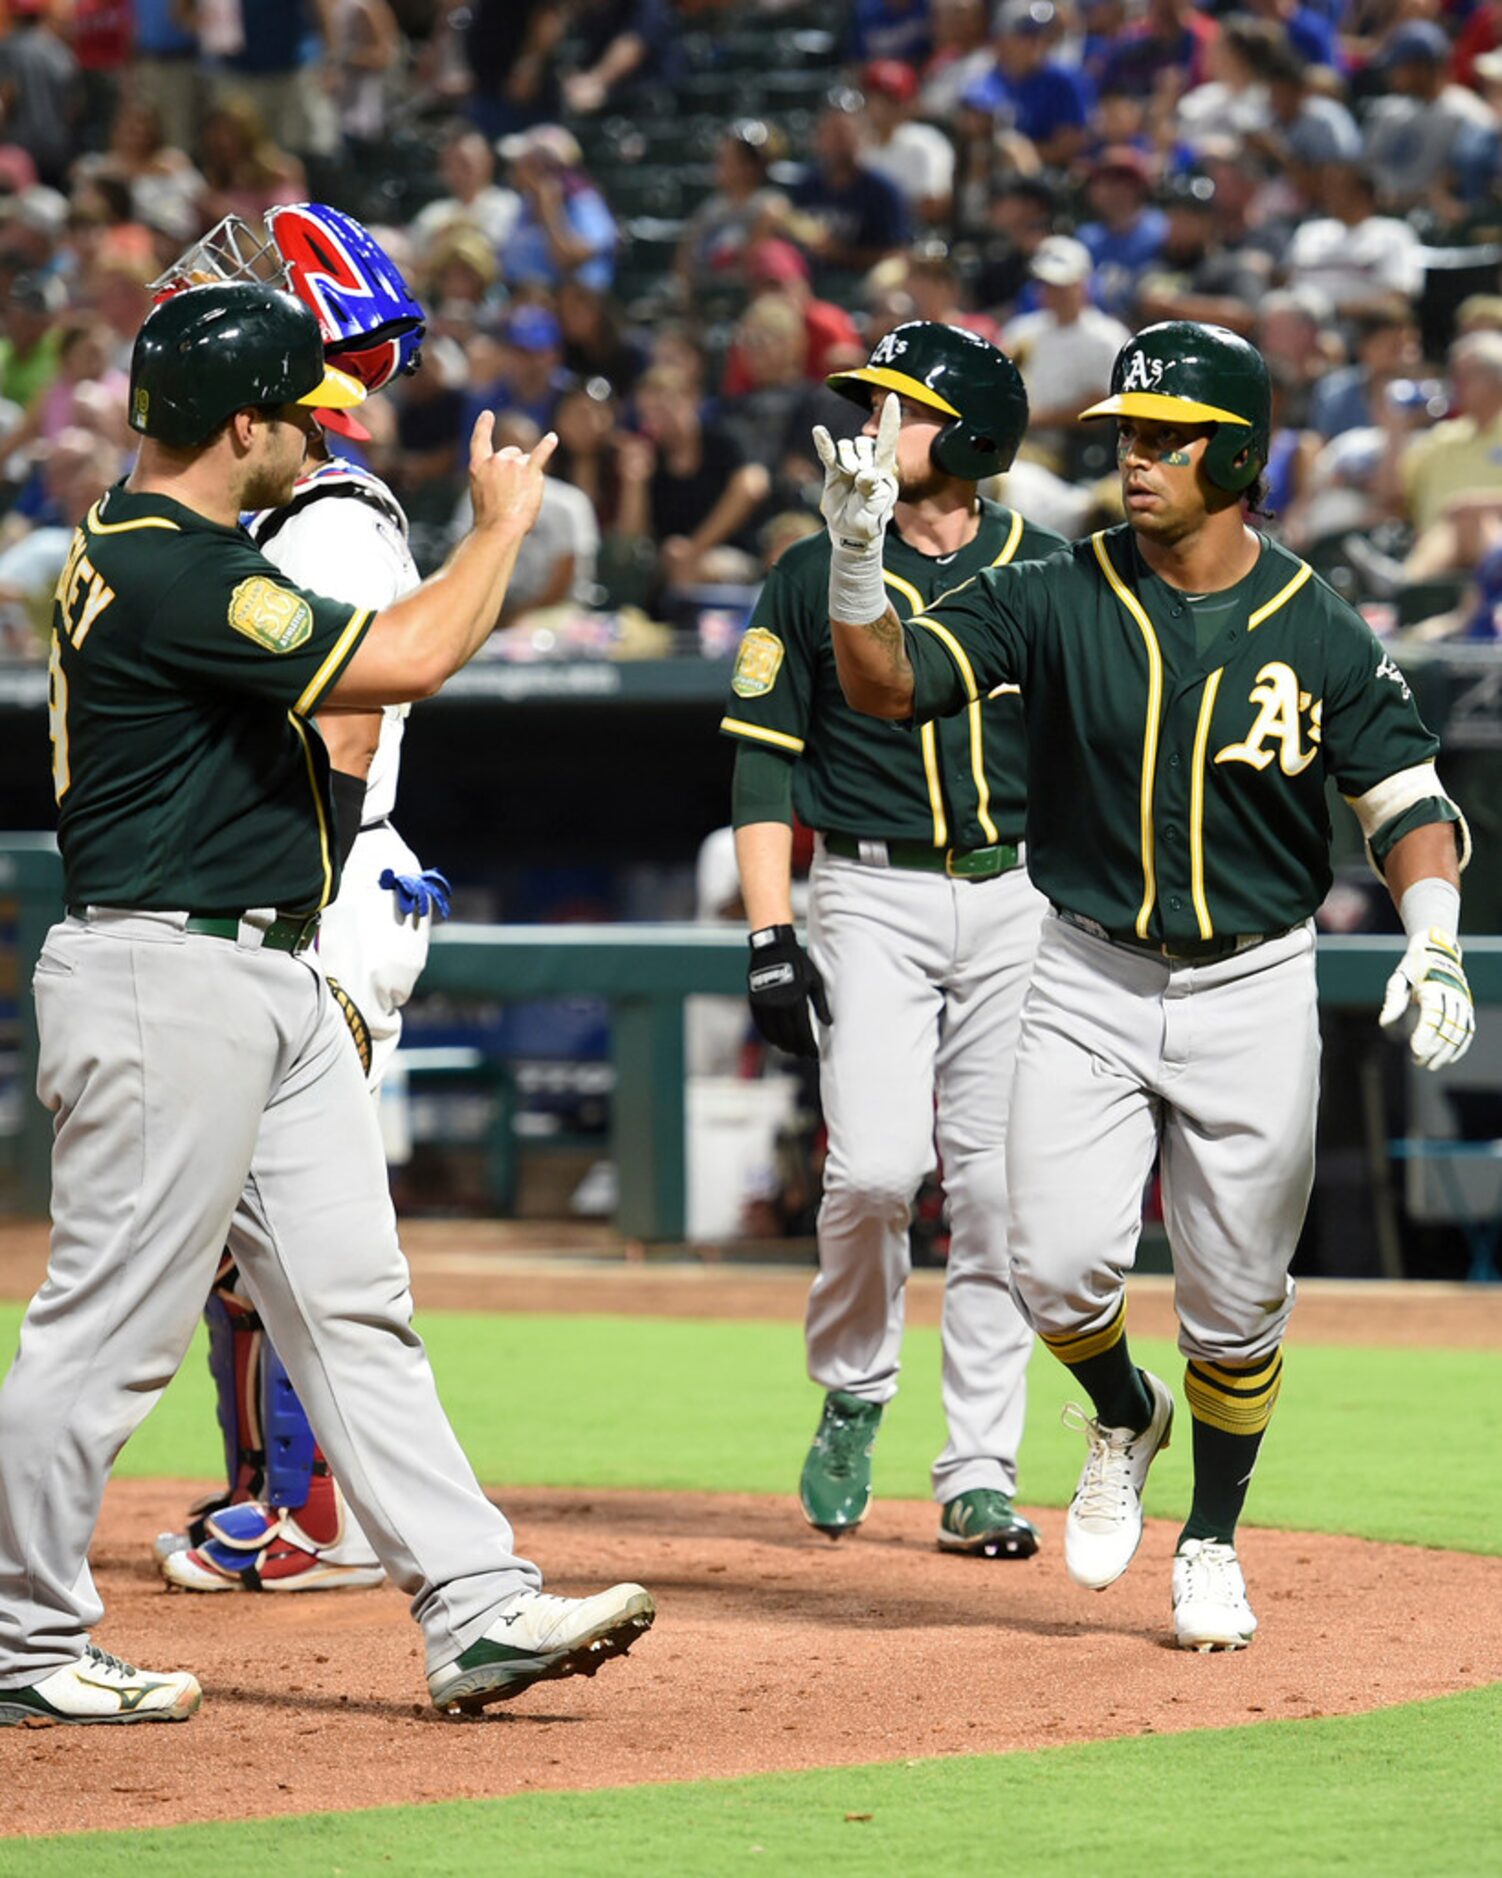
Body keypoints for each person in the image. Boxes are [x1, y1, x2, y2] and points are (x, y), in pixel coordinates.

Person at [0, 279, 654, 1726]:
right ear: (242, 424)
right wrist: (499, 528)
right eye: (294, 409)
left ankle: (473, 1606)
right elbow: (408, 658)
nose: (315, 428)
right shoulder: (178, 564)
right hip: (174, 971)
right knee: (108, 1331)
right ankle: (16, 1638)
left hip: (259, 963)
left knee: (353, 1306)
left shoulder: (130, 538)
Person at [820, 320, 1473, 1650]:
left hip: (1250, 983)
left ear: (1234, 456)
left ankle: (1214, 1536)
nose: (1134, 457)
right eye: (1124, 434)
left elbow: (1403, 791)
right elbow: (888, 685)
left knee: (1235, 1304)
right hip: (1084, 968)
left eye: (1164, 439)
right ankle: (1121, 1409)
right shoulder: (1060, 591)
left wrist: (1435, 929)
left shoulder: (1312, 618)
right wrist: (849, 560)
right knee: (1052, 1267)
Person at [138, 203, 452, 1595]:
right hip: (302, 885)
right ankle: (272, 1490)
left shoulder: (329, 520)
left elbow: (348, 727)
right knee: (225, 1227)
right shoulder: (280, 509)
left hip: (323, 888)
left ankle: (308, 1509)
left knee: (266, 1223)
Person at [723, 322, 1068, 1557]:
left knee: (993, 1191)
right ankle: (854, 1387)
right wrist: (770, 934)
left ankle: (979, 1467)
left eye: (898, 407)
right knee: (873, 1170)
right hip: (870, 891)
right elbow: (760, 774)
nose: (871, 425)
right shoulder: (805, 572)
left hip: (1023, 892)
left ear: (970, 437)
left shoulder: (1056, 569)